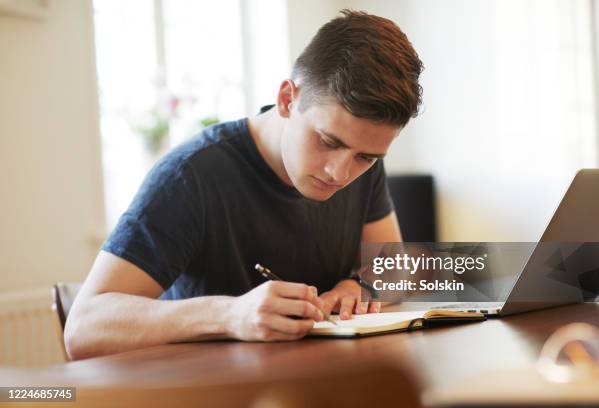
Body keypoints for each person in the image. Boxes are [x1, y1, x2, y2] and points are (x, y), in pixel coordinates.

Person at [65, 9, 423, 359]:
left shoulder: (363, 161)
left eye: (366, 157)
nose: (340, 173)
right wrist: (229, 314)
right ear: (287, 99)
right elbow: (82, 328)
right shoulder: (190, 176)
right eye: (329, 141)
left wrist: (357, 286)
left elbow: (393, 264)